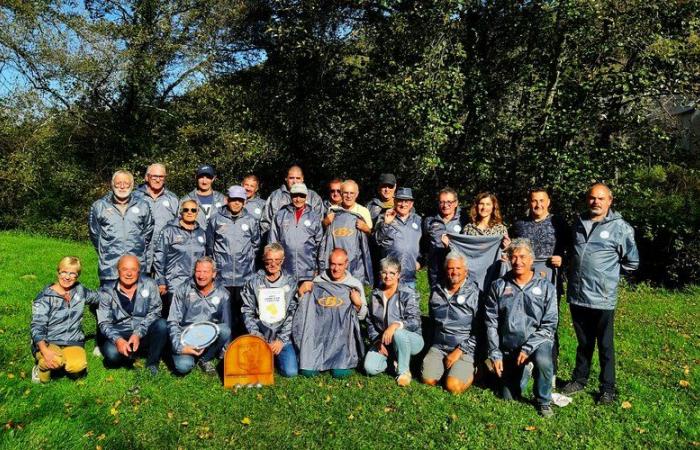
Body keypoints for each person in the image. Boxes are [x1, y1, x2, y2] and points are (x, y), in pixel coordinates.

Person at [561, 183, 639, 405]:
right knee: (583, 342)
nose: (596, 202)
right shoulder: (578, 223)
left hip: (602, 297)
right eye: (592, 198)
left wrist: (609, 276)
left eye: (601, 198)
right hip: (578, 295)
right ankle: (579, 379)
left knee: (605, 345)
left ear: (610, 201)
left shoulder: (621, 228)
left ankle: (607, 388)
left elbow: (632, 262)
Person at [485, 239, 558, 417]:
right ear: (509, 259)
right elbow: (491, 322)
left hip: (538, 342)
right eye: (514, 257)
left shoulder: (546, 287)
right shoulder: (498, 286)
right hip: (509, 346)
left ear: (531, 260)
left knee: (544, 361)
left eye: (523, 257)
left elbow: (550, 324)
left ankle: (543, 400)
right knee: (508, 396)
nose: (518, 261)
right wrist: (495, 352)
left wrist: (528, 347)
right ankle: (524, 369)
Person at [511, 188, 569, 382]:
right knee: (523, 321)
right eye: (534, 201)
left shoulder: (558, 223)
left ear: (549, 202)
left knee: (549, 324)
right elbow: (511, 248)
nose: (538, 204)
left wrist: (563, 260)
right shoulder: (520, 224)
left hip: (550, 281)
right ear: (529, 202)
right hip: (522, 284)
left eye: (541, 200)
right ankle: (525, 361)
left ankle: (549, 371)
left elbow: (573, 249)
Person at [293, 248, 367, 378]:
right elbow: (303, 310)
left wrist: (358, 304)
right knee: (308, 372)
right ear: (328, 263)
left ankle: (338, 360)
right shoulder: (317, 282)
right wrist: (301, 294)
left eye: (340, 265)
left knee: (340, 373)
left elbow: (362, 316)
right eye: (333, 264)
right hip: (320, 338)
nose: (336, 268)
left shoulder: (354, 285)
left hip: (342, 340)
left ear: (346, 264)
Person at [30, 257, 100, 383]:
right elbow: (37, 325)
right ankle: (39, 368)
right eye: (64, 272)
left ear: (77, 276)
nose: (67, 277)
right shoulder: (45, 297)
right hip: (49, 341)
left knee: (78, 366)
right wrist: (44, 350)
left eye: (72, 273)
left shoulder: (80, 291)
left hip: (73, 341)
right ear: (58, 272)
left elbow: (98, 298)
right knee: (49, 370)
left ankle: (65, 362)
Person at [97, 255, 167, 375]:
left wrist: (138, 333)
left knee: (162, 325)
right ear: (118, 271)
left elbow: (155, 311)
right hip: (119, 333)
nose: (129, 273)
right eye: (124, 269)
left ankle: (152, 363)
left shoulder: (150, 284)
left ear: (139, 272)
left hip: (142, 331)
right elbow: (104, 322)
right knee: (112, 355)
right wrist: (118, 340)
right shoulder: (106, 290)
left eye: (133, 270)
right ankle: (130, 354)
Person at [421, 251, 480, 394]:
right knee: (428, 381)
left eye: (458, 268)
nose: (454, 272)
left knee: (453, 387)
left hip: (464, 347)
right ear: (445, 270)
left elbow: (480, 330)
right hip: (439, 346)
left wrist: (459, 351)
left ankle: (475, 370)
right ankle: (444, 369)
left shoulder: (475, 294)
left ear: (465, 271)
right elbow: (433, 321)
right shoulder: (436, 290)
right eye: (450, 268)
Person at [206, 185, 261, 335]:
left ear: (244, 201)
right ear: (227, 200)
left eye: (240, 200)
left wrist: (247, 263)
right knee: (225, 315)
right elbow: (210, 247)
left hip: (245, 277)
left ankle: (241, 347)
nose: (236, 203)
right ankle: (224, 349)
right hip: (223, 277)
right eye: (233, 200)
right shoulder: (215, 219)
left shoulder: (251, 220)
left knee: (244, 315)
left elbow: (256, 246)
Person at [240, 243, 299, 377]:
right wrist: (258, 337)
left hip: (282, 338)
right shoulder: (253, 282)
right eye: (269, 261)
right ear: (263, 260)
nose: (273, 264)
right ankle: (265, 354)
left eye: (277, 261)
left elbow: (292, 313)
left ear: (283, 260)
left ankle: (277, 356)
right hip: (259, 336)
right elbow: (246, 311)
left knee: (290, 372)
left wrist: (281, 340)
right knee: (254, 371)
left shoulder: (290, 282)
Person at [364, 257, 423, 386]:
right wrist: (377, 340)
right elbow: (370, 321)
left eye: (392, 273)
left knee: (398, 333)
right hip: (385, 341)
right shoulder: (375, 294)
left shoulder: (408, 293)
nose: (387, 276)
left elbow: (415, 322)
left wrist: (396, 325)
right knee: (370, 368)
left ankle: (403, 371)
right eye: (384, 272)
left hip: (411, 339)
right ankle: (393, 361)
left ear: (398, 275)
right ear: (380, 274)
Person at [168, 257, 232, 375]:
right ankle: (184, 356)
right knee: (183, 367)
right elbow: (173, 321)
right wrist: (179, 347)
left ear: (213, 274)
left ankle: (205, 359)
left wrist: (225, 355)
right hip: (186, 338)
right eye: (198, 271)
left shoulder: (223, 294)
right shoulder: (182, 289)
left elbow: (226, 322)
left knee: (225, 330)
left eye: (205, 272)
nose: (201, 276)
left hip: (208, 338)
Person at [89, 170, 154, 284]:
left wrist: (137, 248)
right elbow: (95, 234)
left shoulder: (143, 205)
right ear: (112, 184)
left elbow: (148, 232)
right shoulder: (99, 206)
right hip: (109, 268)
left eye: (126, 183)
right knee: (108, 300)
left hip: (136, 266)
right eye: (118, 183)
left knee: (137, 301)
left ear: (132, 185)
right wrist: (106, 251)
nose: (122, 186)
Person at [153, 199, 207, 317]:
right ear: (181, 212)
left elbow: (205, 259)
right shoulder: (169, 230)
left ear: (197, 212)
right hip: (174, 283)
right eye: (186, 210)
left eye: (193, 210)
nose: (189, 212)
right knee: (173, 319)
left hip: (196, 284)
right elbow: (159, 257)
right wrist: (161, 281)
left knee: (192, 318)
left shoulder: (201, 233)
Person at [269, 183, 323, 284]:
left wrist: (319, 269)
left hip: (307, 272)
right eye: (295, 195)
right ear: (290, 195)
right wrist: (274, 266)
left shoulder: (314, 217)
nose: (298, 199)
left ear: (306, 196)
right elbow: (272, 242)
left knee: (306, 299)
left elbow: (320, 245)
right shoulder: (280, 215)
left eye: (301, 196)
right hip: (285, 271)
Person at [134, 163, 179, 273]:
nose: (158, 180)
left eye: (161, 177)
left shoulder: (173, 199)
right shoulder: (134, 197)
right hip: (139, 254)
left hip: (166, 256)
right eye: (154, 176)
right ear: (146, 177)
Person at [373, 187, 422, 289]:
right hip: (389, 276)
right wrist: (386, 223)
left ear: (411, 203)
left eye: (406, 201)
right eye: (400, 201)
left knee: (408, 304)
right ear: (394, 201)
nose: (403, 204)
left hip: (409, 277)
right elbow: (377, 241)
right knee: (387, 304)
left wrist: (421, 261)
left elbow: (424, 244)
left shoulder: (418, 220)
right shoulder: (384, 217)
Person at [423, 187, 467, 289]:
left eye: (449, 202)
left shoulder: (464, 220)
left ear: (456, 203)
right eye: (442, 202)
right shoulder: (429, 221)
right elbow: (425, 243)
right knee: (437, 301)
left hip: (457, 271)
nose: (445, 205)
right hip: (436, 271)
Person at [260, 165, 324, 234]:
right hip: (280, 243)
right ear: (286, 178)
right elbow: (266, 223)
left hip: (306, 242)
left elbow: (318, 223)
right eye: (291, 178)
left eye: (298, 178)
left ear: (303, 179)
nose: (295, 181)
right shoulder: (275, 197)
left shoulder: (313, 197)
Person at [180, 164, 226, 228]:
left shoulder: (222, 199)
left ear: (213, 178)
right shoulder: (186, 200)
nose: (204, 181)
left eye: (208, 177)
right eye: (201, 177)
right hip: (194, 237)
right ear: (196, 177)